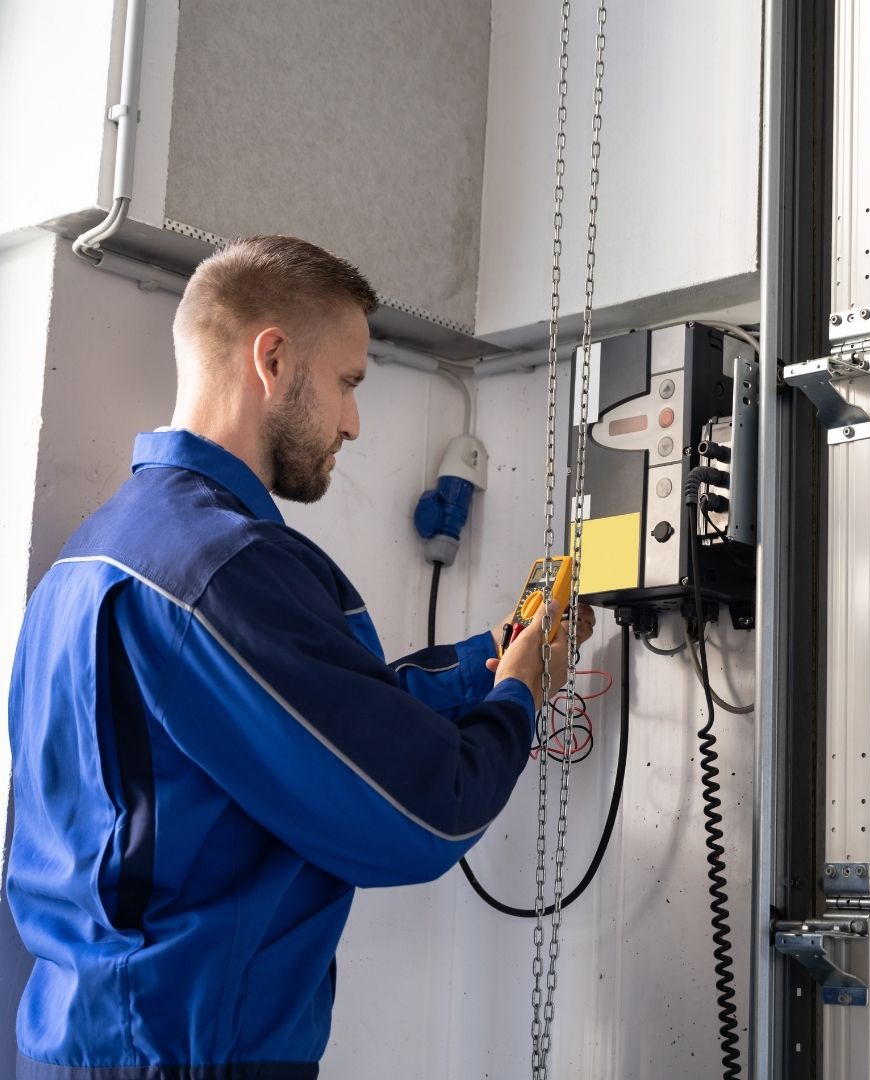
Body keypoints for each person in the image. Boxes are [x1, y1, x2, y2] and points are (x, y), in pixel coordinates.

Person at [6, 235, 595, 1080]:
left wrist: (485, 664)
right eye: (349, 382)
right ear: (273, 359)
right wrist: (518, 701)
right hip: (186, 1056)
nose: (354, 421)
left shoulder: (94, 557)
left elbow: (304, 728)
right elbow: (425, 815)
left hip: (82, 1042)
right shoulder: (226, 570)